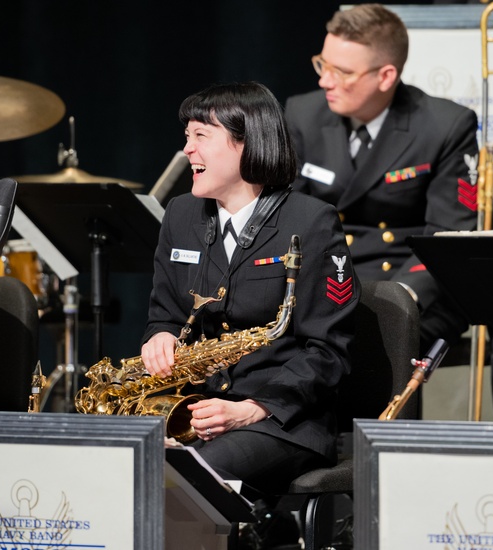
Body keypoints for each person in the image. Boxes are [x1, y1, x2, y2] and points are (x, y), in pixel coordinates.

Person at [140, 81, 357, 498]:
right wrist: (160, 337)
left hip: (284, 421)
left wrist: (249, 410)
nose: (187, 150)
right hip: (196, 410)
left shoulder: (311, 222)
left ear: (246, 145)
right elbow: (164, 313)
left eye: (201, 136)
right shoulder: (181, 214)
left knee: (182, 480)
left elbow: (328, 351)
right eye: (187, 137)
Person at [284, 3, 478, 349]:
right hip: (325, 282)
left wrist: (398, 298)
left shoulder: (445, 126)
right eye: (322, 64)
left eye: (341, 72)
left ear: (386, 76)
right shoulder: (303, 113)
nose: (324, 80)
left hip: (408, 286)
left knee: (367, 345)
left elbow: (447, 237)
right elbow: (287, 217)